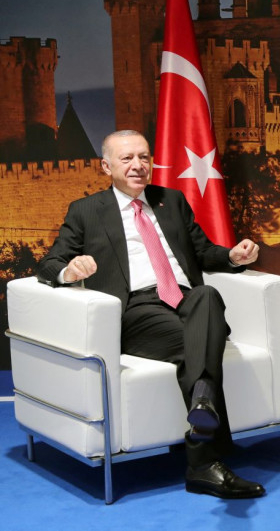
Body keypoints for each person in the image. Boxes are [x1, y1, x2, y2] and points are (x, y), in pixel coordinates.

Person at [37, 130, 265, 499]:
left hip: (188, 302)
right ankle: (205, 438)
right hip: (136, 311)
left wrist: (232, 257)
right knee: (206, 334)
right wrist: (70, 271)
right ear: (106, 166)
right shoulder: (86, 211)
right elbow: (48, 264)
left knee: (206, 295)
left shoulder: (171, 201)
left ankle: (203, 445)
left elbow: (205, 252)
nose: (138, 165)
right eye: (126, 158)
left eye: (144, 157)